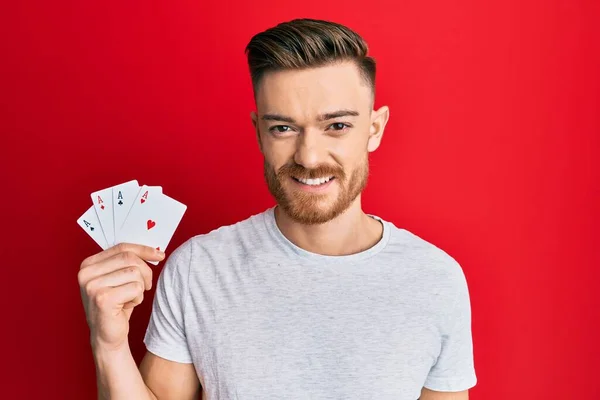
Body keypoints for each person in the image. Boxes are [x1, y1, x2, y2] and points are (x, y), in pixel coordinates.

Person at [78, 18, 477, 400]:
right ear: (259, 134)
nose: (308, 155)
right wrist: (108, 345)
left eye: (336, 126)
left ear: (374, 129)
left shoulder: (436, 280)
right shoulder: (198, 269)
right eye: (283, 128)